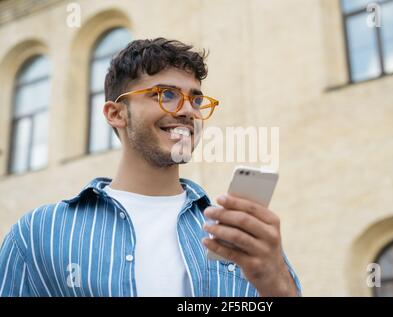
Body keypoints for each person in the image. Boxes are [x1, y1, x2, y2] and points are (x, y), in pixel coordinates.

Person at [0, 38, 301, 297]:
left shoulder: (237, 234)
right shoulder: (38, 234)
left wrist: (279, 284)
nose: (187, 111)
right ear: (115, 113)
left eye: (196, 100)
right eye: (166, 95)